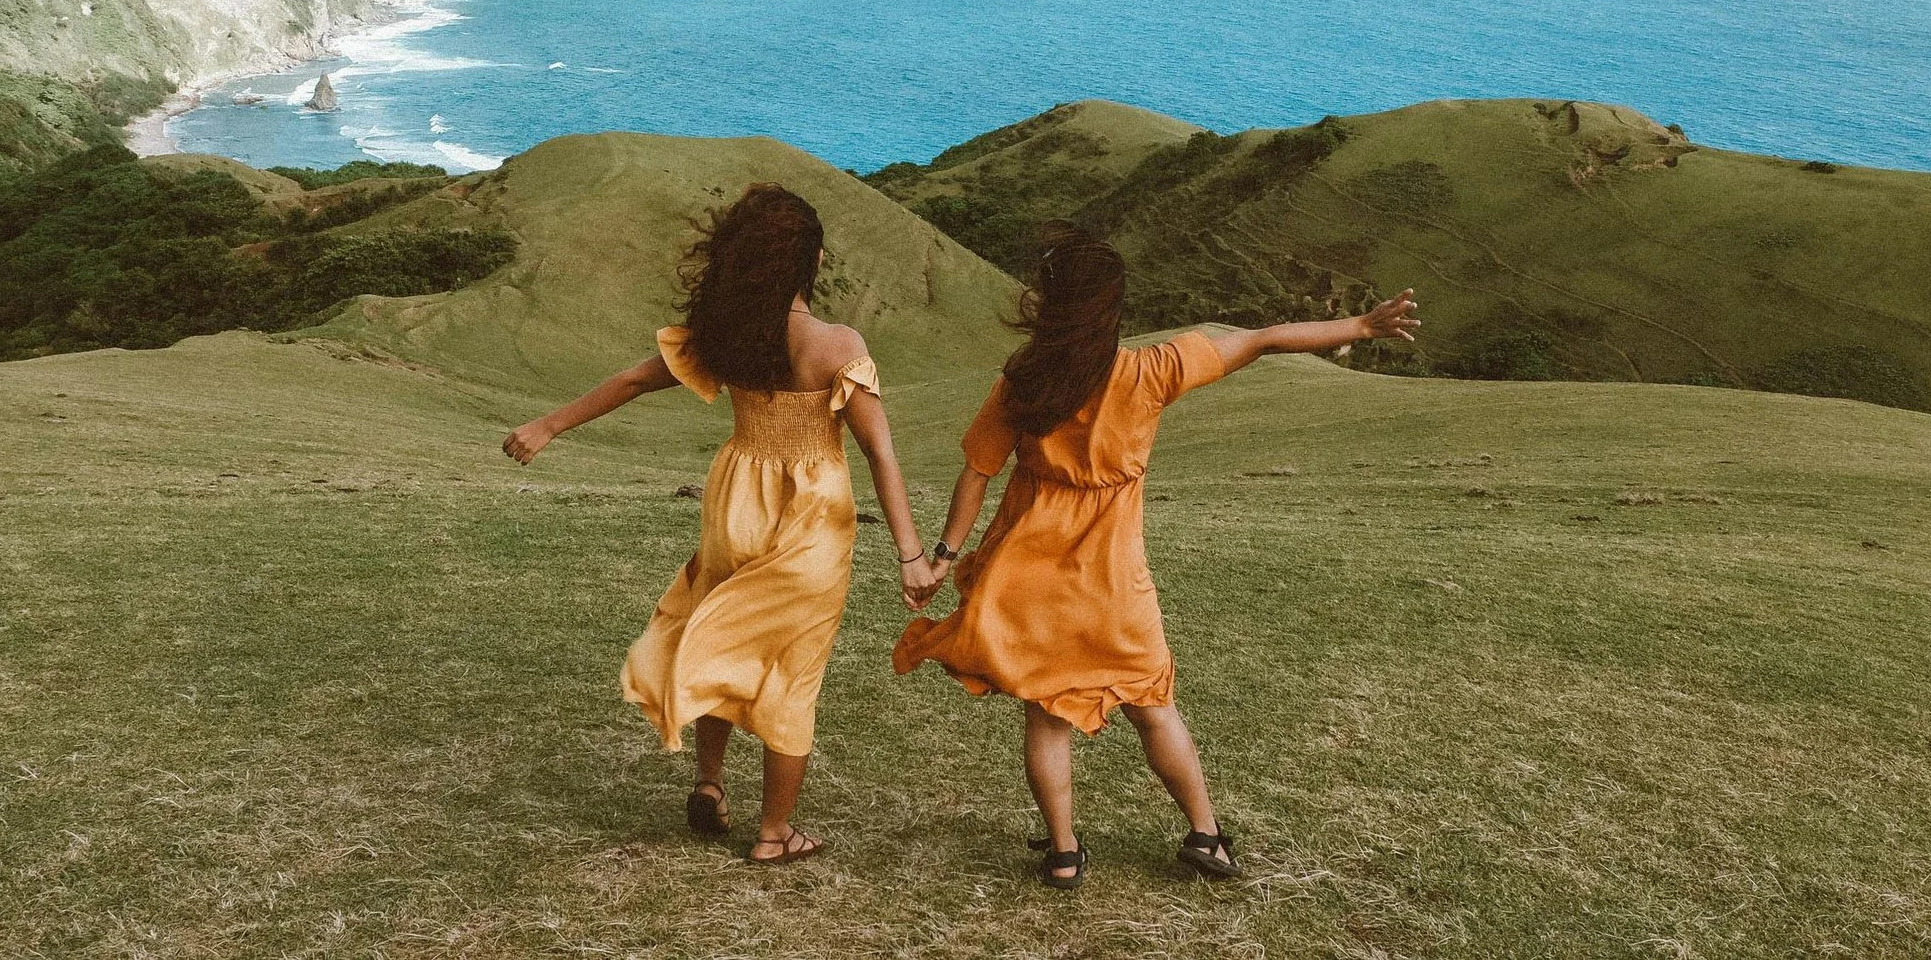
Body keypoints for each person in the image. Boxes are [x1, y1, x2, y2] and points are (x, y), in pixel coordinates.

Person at [893, 221, 1418, 888]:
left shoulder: (1022, 380)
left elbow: (977, 472)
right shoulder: (1149, 372)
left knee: (1047, 713)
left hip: (1030, 574)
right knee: (1152, 703)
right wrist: (1362, 326)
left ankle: (1062, 853)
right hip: (1112, 578)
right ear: (1111, 312)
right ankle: (1205, 836)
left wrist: (944, 553)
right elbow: (1260, 340)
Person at [505, 182, 942, 864]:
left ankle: (710, 781)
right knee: (791, 676)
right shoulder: (837, 344)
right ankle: (774, 832)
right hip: (809, 519)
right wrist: (912, 555)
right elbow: (878, 449)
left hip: (735, 499)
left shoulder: (728, 336)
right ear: (813, 261)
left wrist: (547, 424)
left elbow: (632, 380)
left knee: (719, 628)